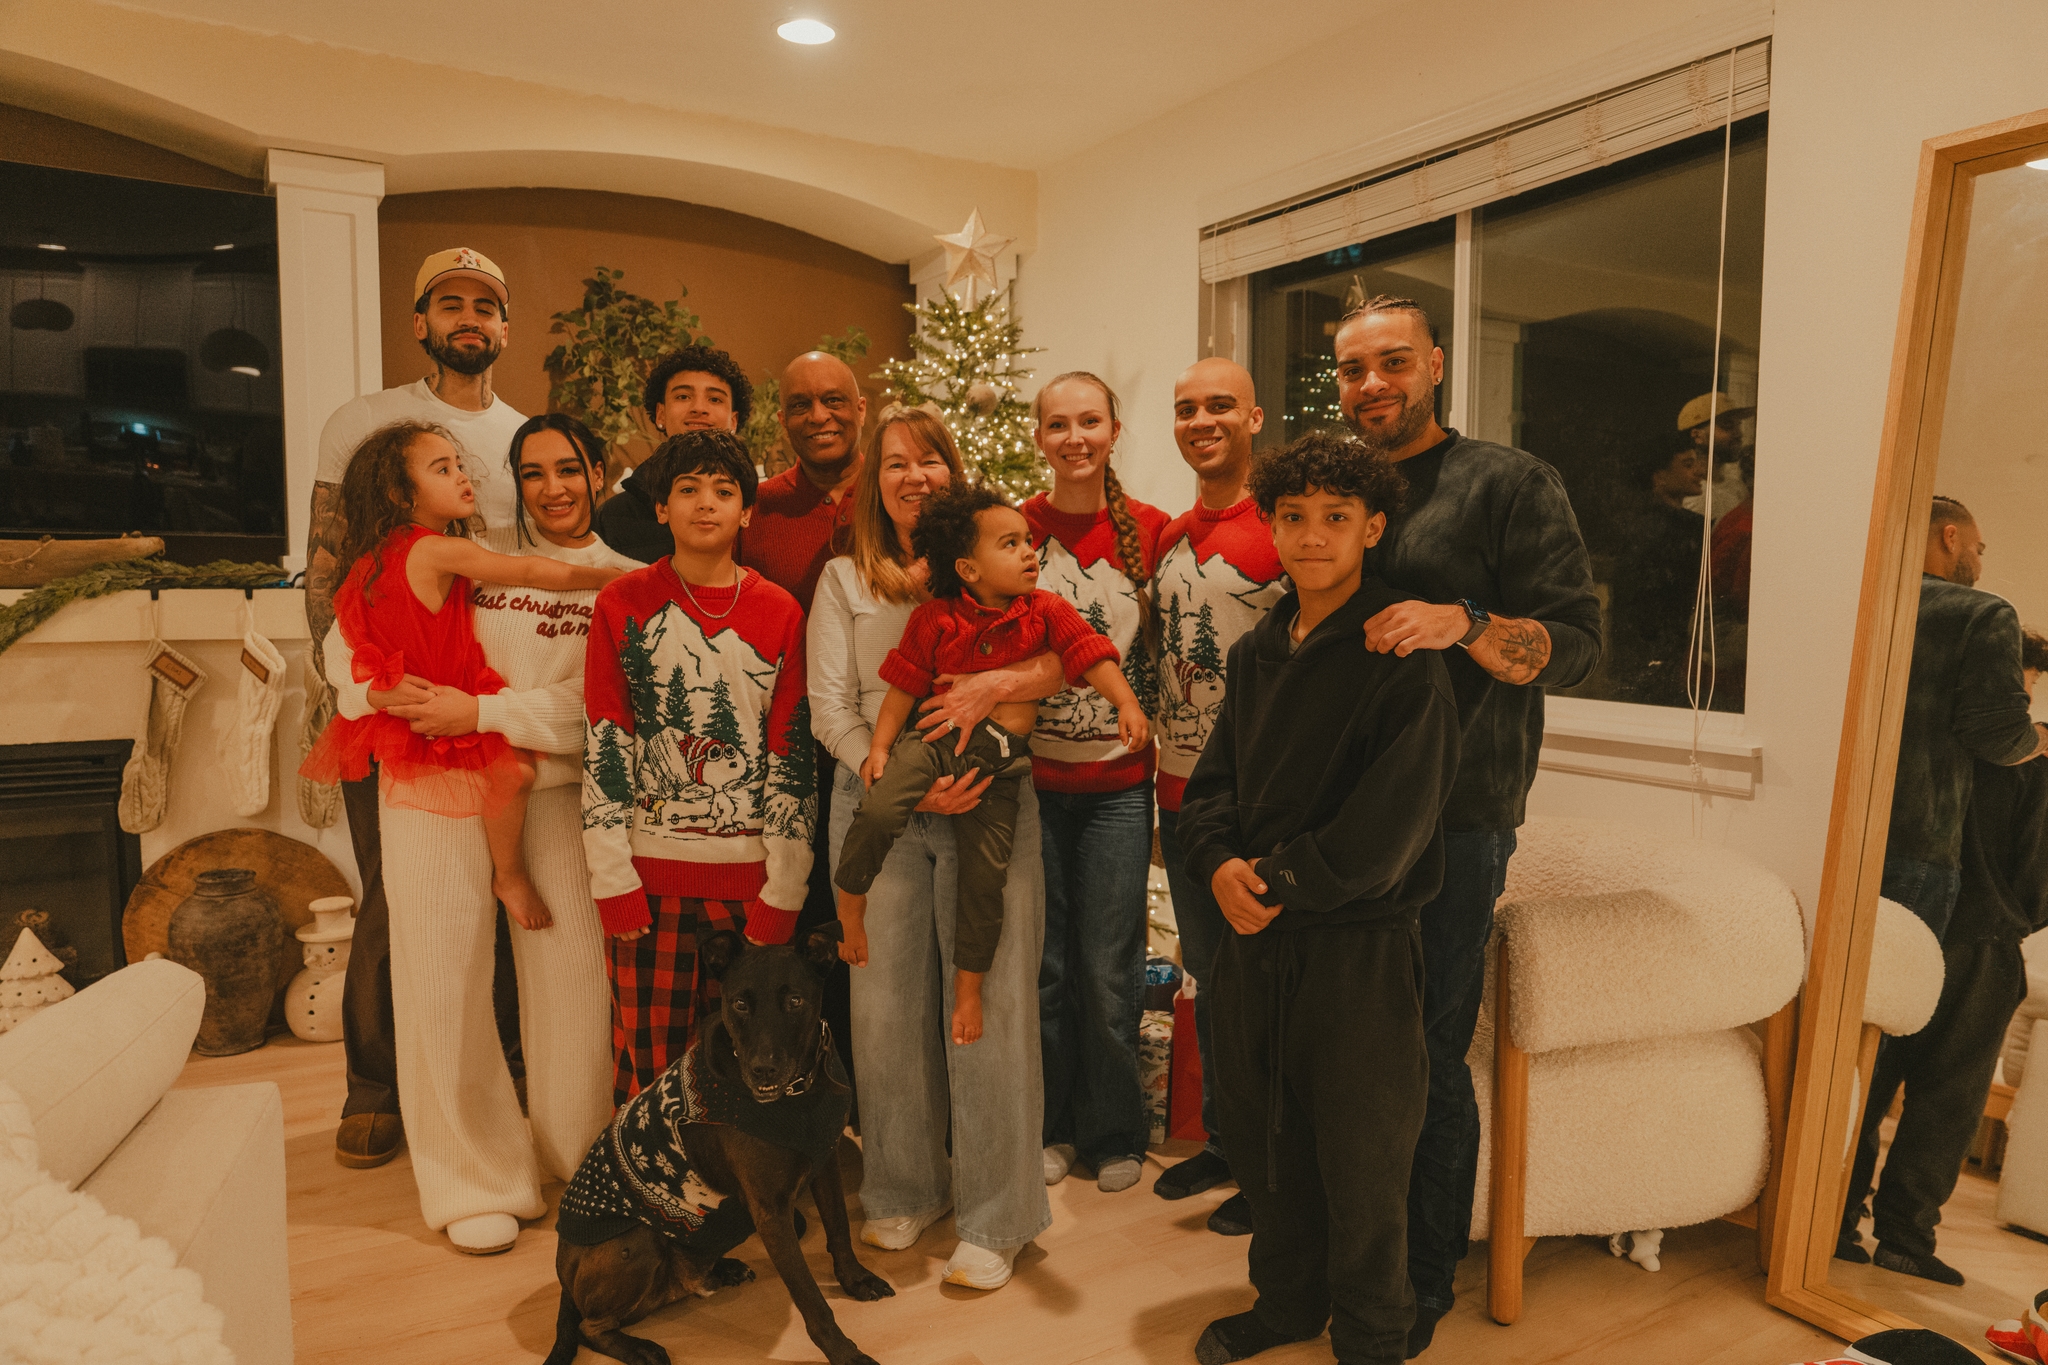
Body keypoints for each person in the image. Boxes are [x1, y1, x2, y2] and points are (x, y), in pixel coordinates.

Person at [1332, 294, 1603, 1354]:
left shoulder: (1507, 483)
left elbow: (1577, 644)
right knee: (1352, 1047)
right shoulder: (1341, 491)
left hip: (1455, 818)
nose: (1371, 386)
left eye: (1391, 362)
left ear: (1434, 363)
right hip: (1341, 817)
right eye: (1353, 370)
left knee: (1426, 1053)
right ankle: (1347, 1250)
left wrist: (1469, 623)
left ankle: (1415, 1279)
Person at [302, 418, 623, 1255]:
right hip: (430, 783)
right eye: (532, 471)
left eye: (570, 468)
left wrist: (483, 711)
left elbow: (609, 713)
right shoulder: (461, 549)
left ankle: (581, 1159)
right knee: (441, 981)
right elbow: (346, 648)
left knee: (576, 992)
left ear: (597, 473)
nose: (553, 486)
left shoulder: (626, 580)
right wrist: (385, 696)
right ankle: (471, 1177)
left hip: (552, 795)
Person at [1179, 431, 1459, 1365]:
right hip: (1256, 941)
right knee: (1268, 1135)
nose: (1311, 537)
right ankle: (1287, 1301)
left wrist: (1278, 883)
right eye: (1292, 517)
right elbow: (1210, 785)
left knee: (1363, 1150)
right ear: (1270, 524)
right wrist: (1219, 863)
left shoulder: (1401, 653)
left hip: (1358, 947)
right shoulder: (1260, 651)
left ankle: (1375, 1332)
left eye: (1335, 518)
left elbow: (1392, 827)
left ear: (1373, 526)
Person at [807, 403, 1063, 1292]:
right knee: (880, 1009)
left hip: (991, 799)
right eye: (894, 464)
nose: (914, 475)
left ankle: (1001, 1214)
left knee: (987, 1004)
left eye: (931, 460)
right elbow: (830, 708)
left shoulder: (1007, 561)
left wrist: (998, 687)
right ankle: (904, 1184)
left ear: (955, 471)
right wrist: (895, 777)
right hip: (879, 798)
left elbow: (1066, 657)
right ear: (872, 485)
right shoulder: (846, 579)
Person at [305, 247, 531, 1171]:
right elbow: (327, 565)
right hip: (387, 703)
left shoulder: (522, 438)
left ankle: (500, 1072)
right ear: (420, 321)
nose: (469, 317)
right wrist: (354, 690)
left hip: (479, 706)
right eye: (451, 303)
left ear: (505, 327)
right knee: (393, 896)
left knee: (502, 892)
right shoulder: (366, 422)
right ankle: (376, 1086)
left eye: (486, 303)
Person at [837, 481, 1145, 1045]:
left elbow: (1089, 653)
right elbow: (903, 688)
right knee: (878, 812)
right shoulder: (934, 619)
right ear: (968, 569)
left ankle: (970, 988)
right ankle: (852, 904)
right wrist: (880, 747)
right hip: (930, 746)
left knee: (985, 881)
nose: (1029, 552)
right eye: (1010, 544)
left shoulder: (1045, 611)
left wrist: (1125, 702)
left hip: (1000, 767)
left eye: (1028, 541)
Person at [1837, 497, 2048, 1273]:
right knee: (1947, 1094)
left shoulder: (1878, 624)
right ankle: (1907, 1236)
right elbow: (2037, 864)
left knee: (1865, 1066)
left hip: (1873, 879)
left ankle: (1829, 1221)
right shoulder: (2018, 741)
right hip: (1975, 922)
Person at [582, 429, 815, 1099]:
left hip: (750, 892)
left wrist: (784, 890)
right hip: (645, 886)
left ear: (747, 511)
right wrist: (612, 877)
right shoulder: (622, 604)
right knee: (649, 1063)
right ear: (661, 508)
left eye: (723, 490)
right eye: (687, 489)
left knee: (749, 1068)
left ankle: (740, 1203)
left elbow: (790, 758)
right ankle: (654, 1199)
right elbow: (605, 741)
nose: (704, 503)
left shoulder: (780, 612)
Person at [1149, 358, 1286, 1239]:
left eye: (1220, 406)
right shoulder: (1167, 537)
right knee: (1206, 976)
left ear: (1255, 417)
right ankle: (1226, 1143)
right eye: (1186, 408)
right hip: (1175, 790)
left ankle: (1271, 1166)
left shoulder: (1280, 530)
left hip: (1256, 799)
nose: (1202, 420)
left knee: (1259, 984)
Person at [1024, 371, 1169, 1196]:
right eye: (1058, 424)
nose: (1075, 437)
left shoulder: (1150, 532)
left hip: (1118, 788)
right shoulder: (1015, 529)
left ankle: (1115, 1128)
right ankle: (1050, 1126)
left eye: (1090, 421)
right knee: (1043, 967)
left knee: (1110, 965)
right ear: (1039, 436)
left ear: (1114, 430)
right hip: (1033, 784)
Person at [596, 344, 753, 564]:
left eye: (715, 399)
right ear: (661, 413)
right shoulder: (615, 516)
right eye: (683, 396)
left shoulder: (755, 509)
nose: (699, 408)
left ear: (733, 421)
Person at [1606, 441, 1707, 706]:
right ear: (1659, 477)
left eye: (1697, 462)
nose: (1700, 471)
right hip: (1657, 662)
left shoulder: (1686, 525)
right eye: (1688, 464)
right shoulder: (1656, 529)